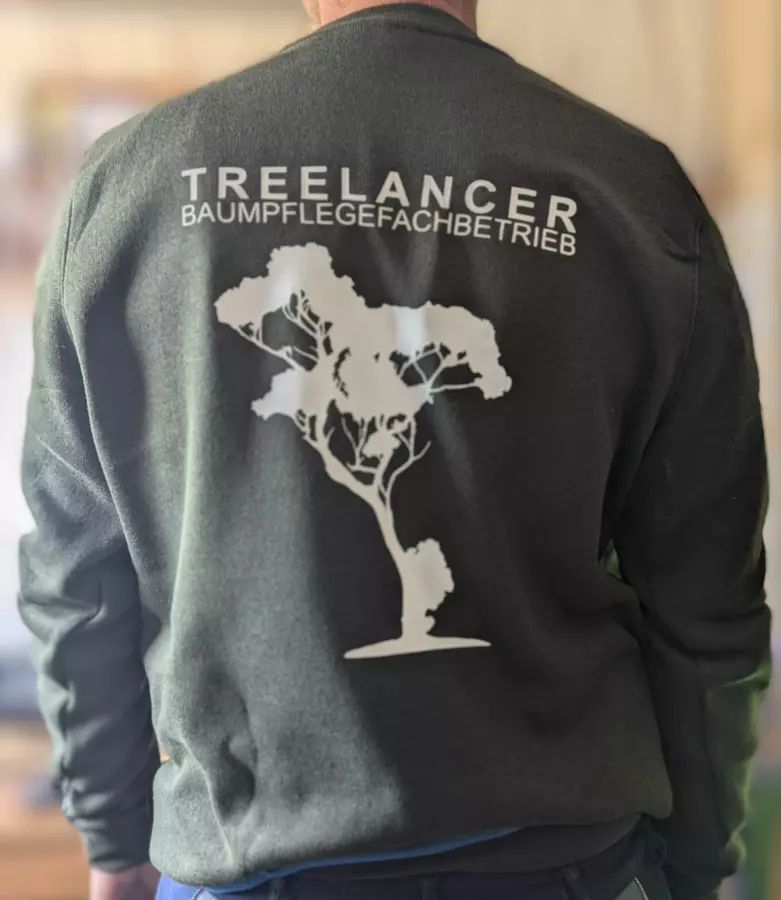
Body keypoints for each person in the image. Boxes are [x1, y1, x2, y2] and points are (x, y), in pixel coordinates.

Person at [19, 1, 772, 899]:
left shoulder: (130, 185)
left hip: (246, 865)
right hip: (564, 866)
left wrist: (112, 838)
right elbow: (707, 599)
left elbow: (77, 573)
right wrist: (697, 862)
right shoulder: (629, 190)